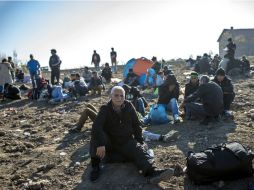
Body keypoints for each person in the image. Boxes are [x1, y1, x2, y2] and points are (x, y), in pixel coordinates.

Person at [89, 86, 175, 182]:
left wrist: (140, 142)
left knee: (139, 150)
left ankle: (153, 173)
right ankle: (95, 166)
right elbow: (96, 127)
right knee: (95, 139)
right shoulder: (105, 109)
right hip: (110, 144)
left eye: (122, 96)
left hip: (125, 141)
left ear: (125, 97)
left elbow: (136, 125)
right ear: (111, 96)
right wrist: (101, 144)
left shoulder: (129, 106)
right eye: (116, 95)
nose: (119, 98)